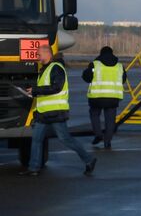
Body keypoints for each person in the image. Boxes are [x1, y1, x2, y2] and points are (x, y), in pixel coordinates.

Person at [23, 41, 96, 176]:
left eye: (39, 54)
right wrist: (33, 90)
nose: (38, 57)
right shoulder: (46, 68)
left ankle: (89, 159)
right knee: (36, 140)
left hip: (56, 112)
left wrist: (36, 90)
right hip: (44, 113)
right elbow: (46, 87)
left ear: (47, 54)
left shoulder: (56, 68)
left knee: (65, 139)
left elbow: (56, 87)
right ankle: (33, 168)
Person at [83, 45, 126, 150]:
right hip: (113, 97)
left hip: (97, 97)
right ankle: (107, 142)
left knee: (94, 115)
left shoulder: (95, 64)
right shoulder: (119, 66)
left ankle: (98, 134)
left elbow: (86, 77)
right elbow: (123, 79)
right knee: (110, 120)